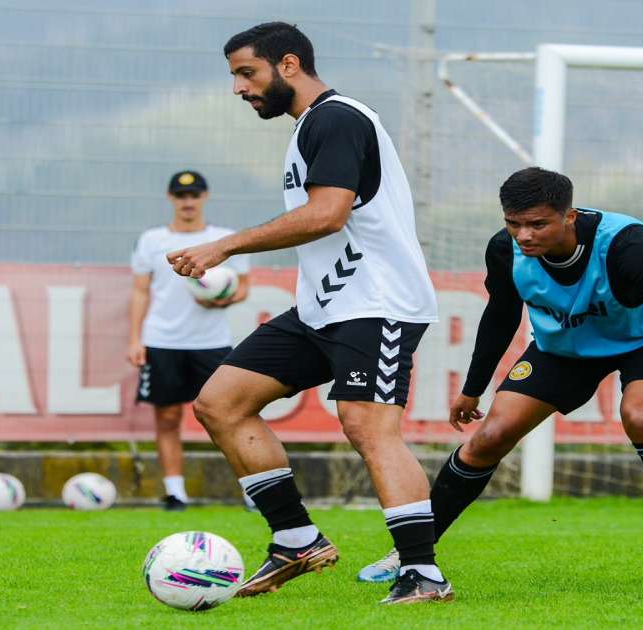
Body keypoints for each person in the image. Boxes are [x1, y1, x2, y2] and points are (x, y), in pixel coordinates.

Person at [166, 22, 451, 605]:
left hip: (378, 303)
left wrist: (223, 245)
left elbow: (327, 214)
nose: (239, 88)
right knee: (221, 402)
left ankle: (423, 573)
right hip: (325, 307)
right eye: (234, 77)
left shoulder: (337, 118)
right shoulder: (306, 130)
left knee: (367, 426)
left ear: (288, 64)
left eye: (247, 73)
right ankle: (297, 540)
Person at [357, 166, 643, 588]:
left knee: (641, 417)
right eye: (514, 224)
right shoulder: (505, 250)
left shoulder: (629, 247)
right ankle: (412, 552)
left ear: (570, 216)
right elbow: (501, 316)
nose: (524, 235)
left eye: (537, 224)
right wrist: (473, 389)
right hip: (564, 347)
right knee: (488, 438)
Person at [128, 170, 250, 511]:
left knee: (229, 416)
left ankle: (252, 490)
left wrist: (221, 299)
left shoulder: (225, 239)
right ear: (171, 199)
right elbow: (139, 292)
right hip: (163, 339)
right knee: (167, 418)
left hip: (211, 342)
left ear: (204, 197)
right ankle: (175, 492)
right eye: (181, 196)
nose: (188, 202)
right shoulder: (152, 240)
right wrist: (135, 339)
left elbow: (243, 288)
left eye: (194, 195)